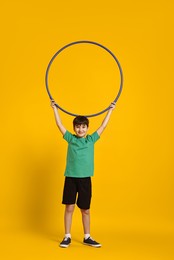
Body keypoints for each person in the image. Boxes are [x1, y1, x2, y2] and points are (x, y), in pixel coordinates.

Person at [51, 100, 116, 248]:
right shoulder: (70, 138)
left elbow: (103, 126)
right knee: (69, 207)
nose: (81, 129)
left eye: (83, 127)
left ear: (87, 128)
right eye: (78, 127)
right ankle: (67, 236)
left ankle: (87, 236)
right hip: (71, 178)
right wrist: (54, 108)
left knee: (85, 209)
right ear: (74, 128)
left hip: (85, 179)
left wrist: (110, 110)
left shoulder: (91, 139)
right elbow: (59, 125)